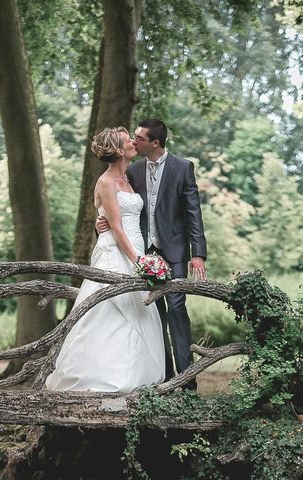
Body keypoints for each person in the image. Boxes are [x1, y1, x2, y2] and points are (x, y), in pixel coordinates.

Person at [45, 127, 165, 393]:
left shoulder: (129, 177)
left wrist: (140, 256)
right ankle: (100, 375)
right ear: (119, 151)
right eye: (128, 141)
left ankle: (138, 376)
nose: (134, 143)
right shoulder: (106, 182)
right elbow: (116, 227)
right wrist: (139, 262)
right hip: (117, 251)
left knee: (137, 309)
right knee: (109, 306)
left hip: (136, 247)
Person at [97, 119, 207, 387]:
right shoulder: (132, 171)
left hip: (175, 251)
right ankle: (165, 377)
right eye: (132, 138)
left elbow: (193, 213)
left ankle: (187, 381)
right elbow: (115, 211)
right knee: (153, 316)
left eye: (139, 138)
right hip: (143, 252)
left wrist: (198, 253)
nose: (134, 142)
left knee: (177, 309)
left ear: (155, 142)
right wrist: (100, 224)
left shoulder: (183, 168)